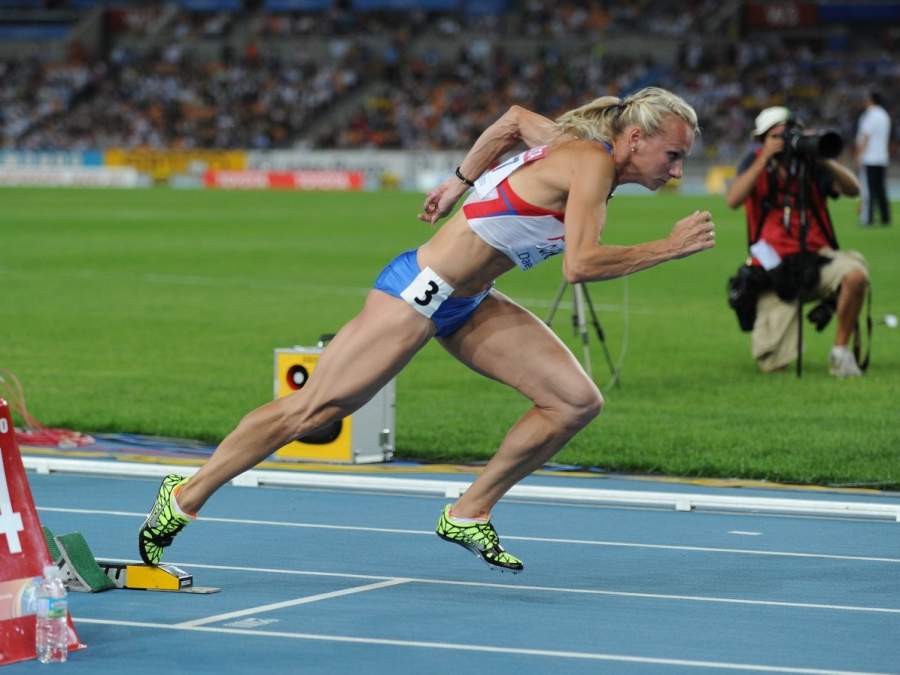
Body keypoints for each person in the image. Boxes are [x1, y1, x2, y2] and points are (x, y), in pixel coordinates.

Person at [138, 87, 715, 573]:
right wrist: (669, 247)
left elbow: (514, 120)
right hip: (419, 292)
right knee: (312, 411)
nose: (676, 171)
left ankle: (468, 512)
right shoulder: (590, 161)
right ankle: (184, 495)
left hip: (470, 301)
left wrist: (458, 183)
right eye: (673, 156)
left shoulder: (573, 147)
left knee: (574, 402)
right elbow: (580, 265)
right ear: (634, 139)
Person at [725, 106, 868, 377]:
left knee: (855, 275)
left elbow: (853, 189)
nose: (785, 141)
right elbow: (733, 199)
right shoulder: (755, 162)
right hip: (773, 270)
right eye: (776, 136)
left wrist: (822, 156)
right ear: (762, 139)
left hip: (816, 258)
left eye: (789, 134)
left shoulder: (811, 165)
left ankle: (840, 353)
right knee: (772, 365)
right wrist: (765, 157)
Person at [855, 91, 892, 226]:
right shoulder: (884, 115)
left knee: (868, 190)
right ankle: (885, 217)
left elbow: (865, 135)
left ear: (871, 100)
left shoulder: (869, 115)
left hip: (869, 157)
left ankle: (868, 218)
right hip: (882, 157)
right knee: (880, 189)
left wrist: (859, 154)